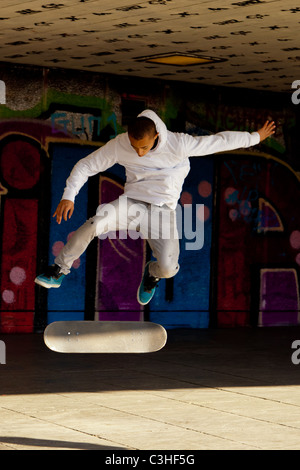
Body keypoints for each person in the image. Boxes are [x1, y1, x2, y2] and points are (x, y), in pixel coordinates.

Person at [35, 109, 275, 305]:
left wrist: (255, 137)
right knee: (94, 223)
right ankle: (58, 270)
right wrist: (69, 195)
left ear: (157, 137)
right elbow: (86, 165)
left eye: (144, 147)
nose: (139, 153)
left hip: (162, 212)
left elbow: (218, 142)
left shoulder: (178, 143)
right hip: (131, 204)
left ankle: (152, 273)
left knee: (169, 268)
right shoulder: (120, 145)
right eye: (134, 146)